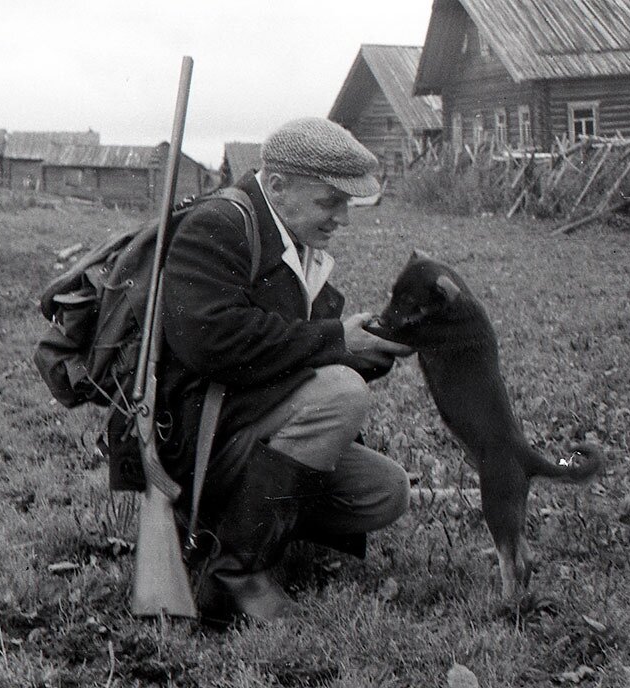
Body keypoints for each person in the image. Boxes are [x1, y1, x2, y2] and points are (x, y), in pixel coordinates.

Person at [120, 117, 413, 625]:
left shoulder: (294, 238)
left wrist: (362, 348)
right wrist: (336, 340)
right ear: (277, 186)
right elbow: (209, 341)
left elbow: (291, 353)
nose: (341, 218)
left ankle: (234, 524)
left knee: (384, 491)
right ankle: (235, 569)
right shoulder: (220, 225)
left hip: (241, 423)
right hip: (193, 438)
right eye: (330, 201)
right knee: (341, 394)